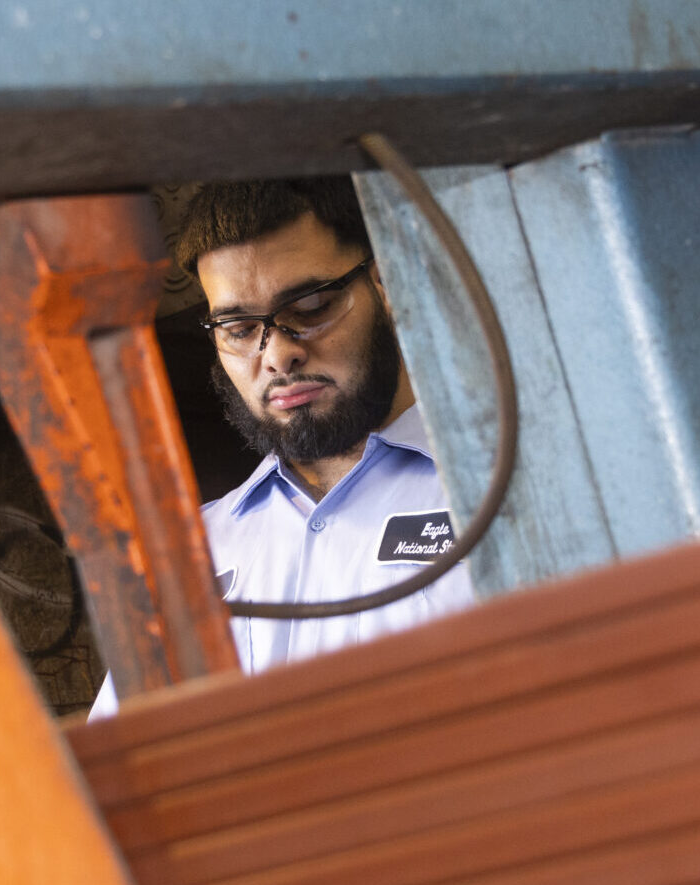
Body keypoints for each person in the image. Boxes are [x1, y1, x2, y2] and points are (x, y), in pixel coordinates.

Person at [90, 178, 477, 717]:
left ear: (387, 283)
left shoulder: (505, 490)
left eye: (311, 305)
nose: (277, 355)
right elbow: (127, 766)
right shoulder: (191, 555)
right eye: (239, 327)